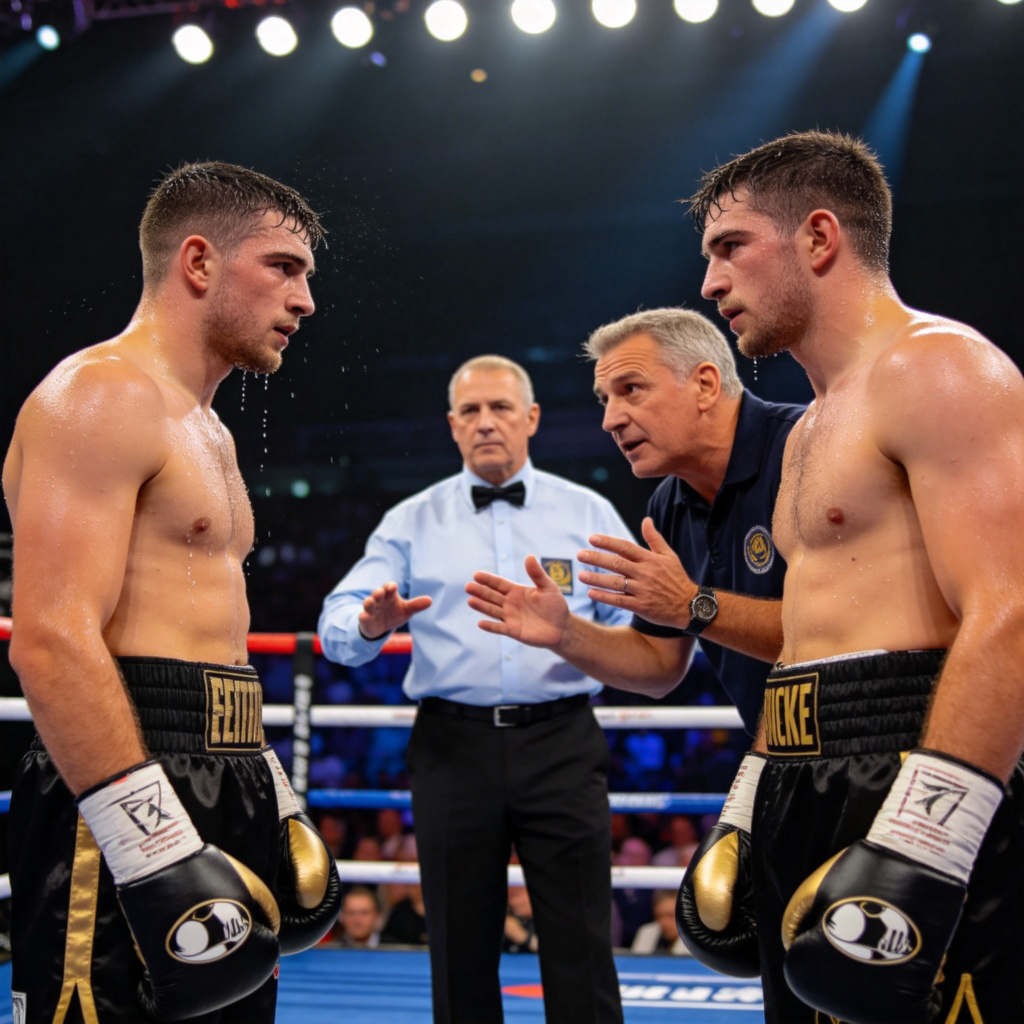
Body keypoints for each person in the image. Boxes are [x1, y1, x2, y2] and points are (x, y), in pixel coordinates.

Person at [677, 129, 1024, 1022]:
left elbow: (1010, 608)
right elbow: (805, 640)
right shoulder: (805, 430)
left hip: (918, 762)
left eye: (730, 248)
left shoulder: (939, 369)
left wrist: (924, 844)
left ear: (820, 238)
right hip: (802, 768)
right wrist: (750, 805)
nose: (711, 284)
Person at [2, 161, 342, 1023]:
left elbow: (209, 642)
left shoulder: (209, 430)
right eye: (284, 267)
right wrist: (149, 843)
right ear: (198, 262)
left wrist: (272, 787)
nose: (305, 301)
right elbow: (50, 637)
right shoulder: (101, 395)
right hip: (123, 776)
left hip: (230, 763)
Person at [318, 354, 634, 1024]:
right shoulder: (410, 519)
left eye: (500, 408)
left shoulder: (588, 512)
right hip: (451, 746)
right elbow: (337, 624)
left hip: (562, 740)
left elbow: (631, 632)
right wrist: (370, 625)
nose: (486, 422)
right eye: (471, 411)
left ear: (532, 418)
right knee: (459, 948)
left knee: (581, 938)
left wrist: (574, 633)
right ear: (452, 426)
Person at [466, 306, 803, 739]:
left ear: (704, 385)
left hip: (878, 742)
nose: (610, 420)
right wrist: (566, 633)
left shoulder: (802, 449)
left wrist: (692, 605)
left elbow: (845, 632)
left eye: (631, 390)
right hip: (778, 751)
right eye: (605, 399)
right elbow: (659, 664)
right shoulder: (669, 501)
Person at [630, 890, 687, 955]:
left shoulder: (695, 941)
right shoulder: (646, 931)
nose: (664, 922)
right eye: (659, 916)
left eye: (670, 915)